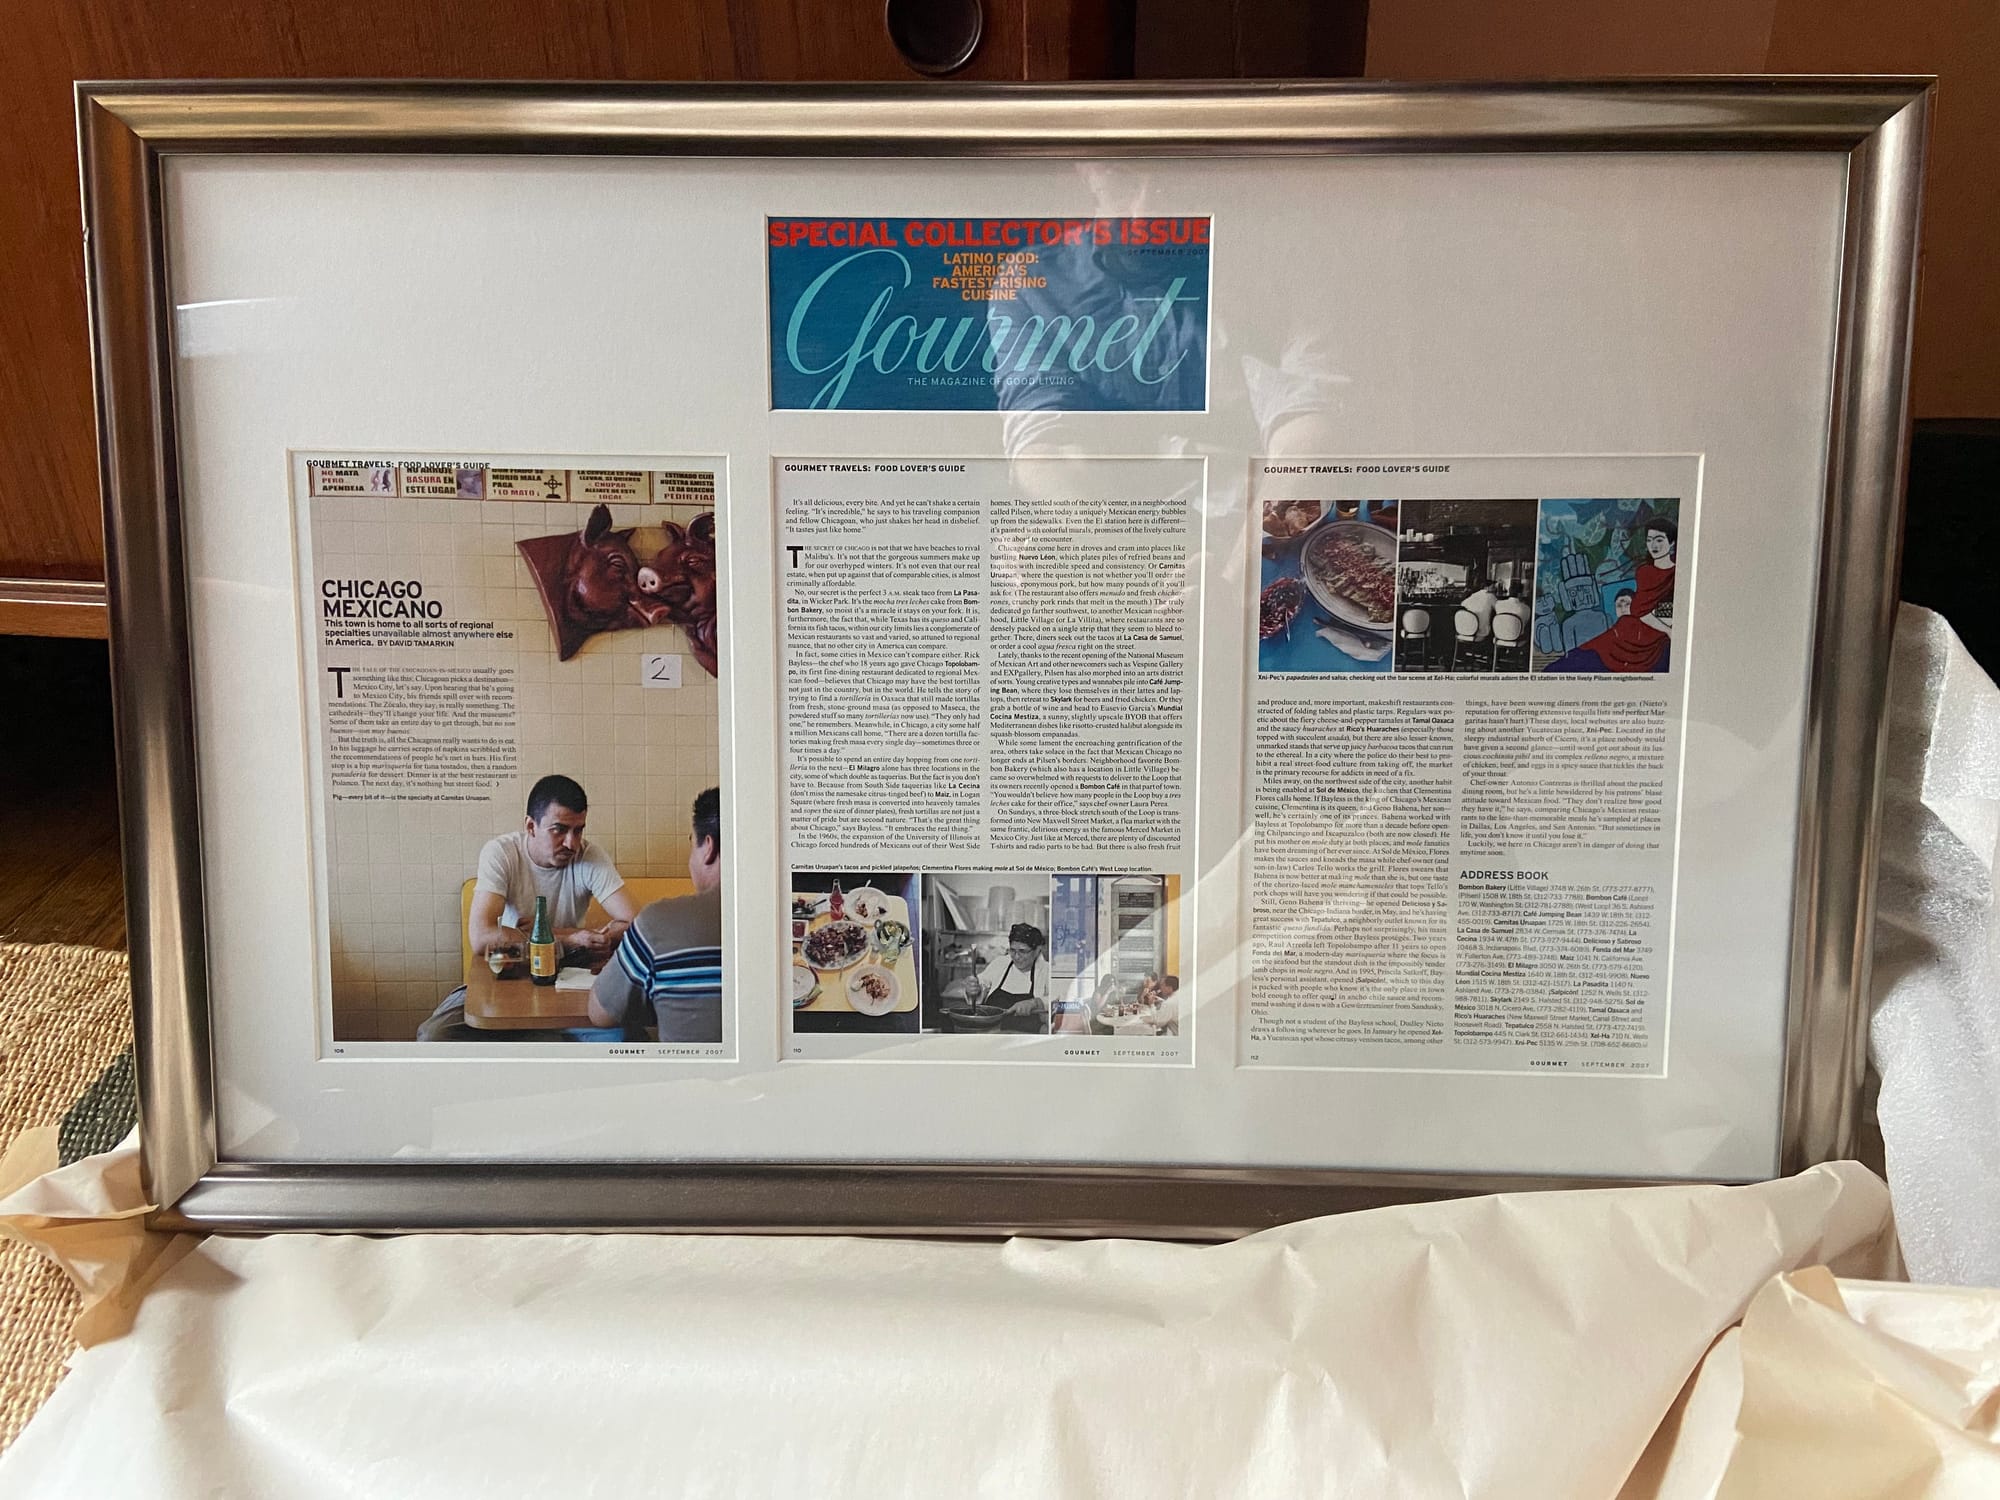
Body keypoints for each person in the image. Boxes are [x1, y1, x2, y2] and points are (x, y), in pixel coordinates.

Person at [417, 774, 638, 1042]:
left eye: (578, 830)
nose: (572, 843)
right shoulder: (502, 853)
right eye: (559, 830)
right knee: (434, 1035)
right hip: (511, 971)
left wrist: (590, 938)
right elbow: (482, 937)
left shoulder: (589, 856)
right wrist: (568, 938)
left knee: (628, 1038)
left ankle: (546, 1039)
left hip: (569, 974)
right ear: (531, 826)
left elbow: (638, 925)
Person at [589, 787, 724, 1043]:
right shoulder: (791, 920)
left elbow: (600, 1014)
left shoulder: (659, 921)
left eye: (691, 842)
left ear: (708, 847)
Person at [1546, 519, 1677, 673]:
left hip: (1654, 633)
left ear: (1672, 542)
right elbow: (1640, 611)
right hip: (1634, 629)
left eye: (1659, 540)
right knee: (1584, 657)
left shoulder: (1677, 572)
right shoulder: (1644, 572)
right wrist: (1668, 630)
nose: (1653, 545)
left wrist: (1668, 628)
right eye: (1649, 540)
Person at [974, 922, 1051, 1034]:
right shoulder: (1000, 963)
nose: (1016, 956)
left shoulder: (1047, 970)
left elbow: (1060, 999)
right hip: (992, 1033)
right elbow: (982, 983)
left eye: (1023, 951)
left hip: (1027, 1038)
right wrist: (975, 988)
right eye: (1013, 950)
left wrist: (1036, 1003)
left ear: (1037, 950)